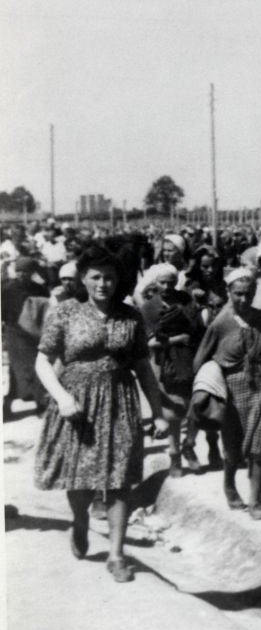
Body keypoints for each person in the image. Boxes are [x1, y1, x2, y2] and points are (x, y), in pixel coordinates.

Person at [34, 245, 170, 582]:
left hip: (120, 403)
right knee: (80, 480)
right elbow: (43, 361)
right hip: (75, 405)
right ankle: (80, 521)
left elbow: (143, 367)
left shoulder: (130, 316)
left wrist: (158, 411)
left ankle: (116, 554)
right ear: (83, 278)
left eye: (109, 278)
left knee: (120, 479)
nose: (103, 284)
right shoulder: (65, 313)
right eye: (96, 277)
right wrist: (63, 398)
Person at [193, 268, 261, 519]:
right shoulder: (220, 323)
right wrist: (211, 386)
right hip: (233, 391)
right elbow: (199, 361)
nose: (243, 299)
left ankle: (255, 498)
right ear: (228, 292)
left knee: (260, 444)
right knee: (233, 449)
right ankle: (229, 484)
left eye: (248, 293)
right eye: (238, 294)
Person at [138, 263, 203, 477]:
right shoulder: (149, 307)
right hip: (163, 362)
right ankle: (174, 453)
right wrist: (177, 339)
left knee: (195, 404)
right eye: (162, 282)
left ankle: (189, 444)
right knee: (173, 411)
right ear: (154, 282)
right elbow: (148, 342)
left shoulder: (185, 300)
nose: (166, 286)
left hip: (188, 359)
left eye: (171, 282)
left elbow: (196, 328)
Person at [2, 257, 50, 417]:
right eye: (19, 272)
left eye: (25, 272)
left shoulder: (39, 289)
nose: (21, 275)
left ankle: (36, 403)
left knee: (29, 369)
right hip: (15, 333)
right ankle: (14, 404)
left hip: (34, 333)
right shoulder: (8, 289)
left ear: (32, 273)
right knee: (22, 370)